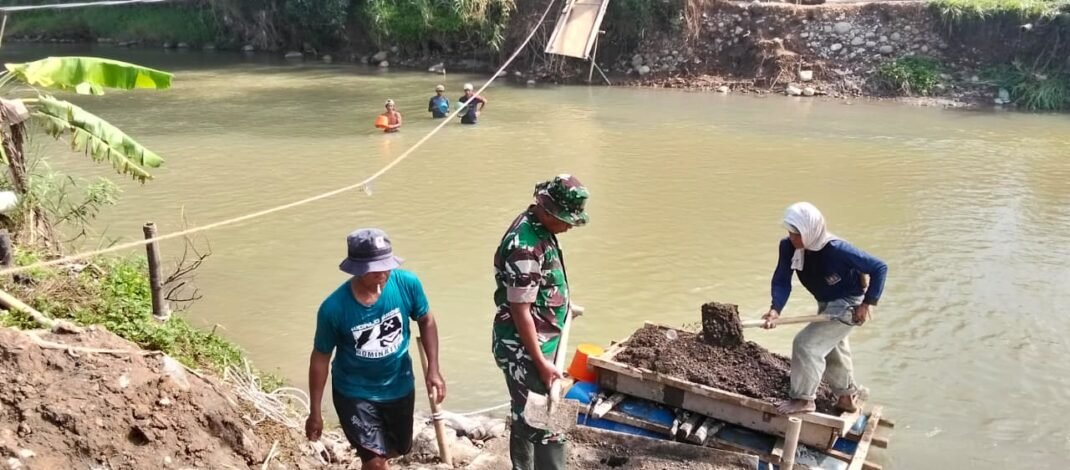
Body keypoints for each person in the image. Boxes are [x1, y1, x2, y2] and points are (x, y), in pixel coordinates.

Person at [306, 228, 445, 470]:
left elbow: (426, 320)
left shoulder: (407, 284)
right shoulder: (333, 309)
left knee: (398, 449)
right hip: (354, 393)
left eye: (387, 265)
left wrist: (433, 368)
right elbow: (320, 359)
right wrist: (315, 410)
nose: (383, 273)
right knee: (375, 461)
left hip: (399, 385)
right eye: (374, 269)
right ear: (357, 268)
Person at [491, 174, 590, 470]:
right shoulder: (525, 245)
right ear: (546, 210)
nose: (570, 226)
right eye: (565, 219)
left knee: (526, 414)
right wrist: (540, 361)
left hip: (543, 343)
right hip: (526, 349)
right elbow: (520, 310)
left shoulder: (539, 227)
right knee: (549, 422)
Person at [761, 202, 888, 415]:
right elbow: (783, 278)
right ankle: (846, 397)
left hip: (848, 304)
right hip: (826, 302)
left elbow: (879, 267)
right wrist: (775, 309)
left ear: (810, 230)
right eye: (790, 232)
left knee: (806, 345)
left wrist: (867, 303)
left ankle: (803, 399)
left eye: (796, 233)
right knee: (832, 348)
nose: (792, 238)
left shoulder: (837, 250)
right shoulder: (789, 247)